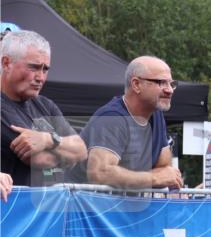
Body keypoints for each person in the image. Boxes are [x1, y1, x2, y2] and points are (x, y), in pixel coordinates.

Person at [73, 56, 183, 189]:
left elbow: (164, 168)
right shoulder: (112, 118)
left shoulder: (156, 114)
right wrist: (153, 178)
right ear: (136, 85)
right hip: (84, 206)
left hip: (121, 206)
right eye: (161, 82)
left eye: (171, 84)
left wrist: (156, 178)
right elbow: (99, 174)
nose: (169, 90)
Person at [1, 31, 87, 186]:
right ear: (6, 63)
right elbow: (38, 159)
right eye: (33, 68)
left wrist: (47, 139)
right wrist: (67, 153)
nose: (40, 77)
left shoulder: (45, 105)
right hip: (14, 207)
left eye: (45, 69)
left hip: (46, 206)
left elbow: (81, 149)